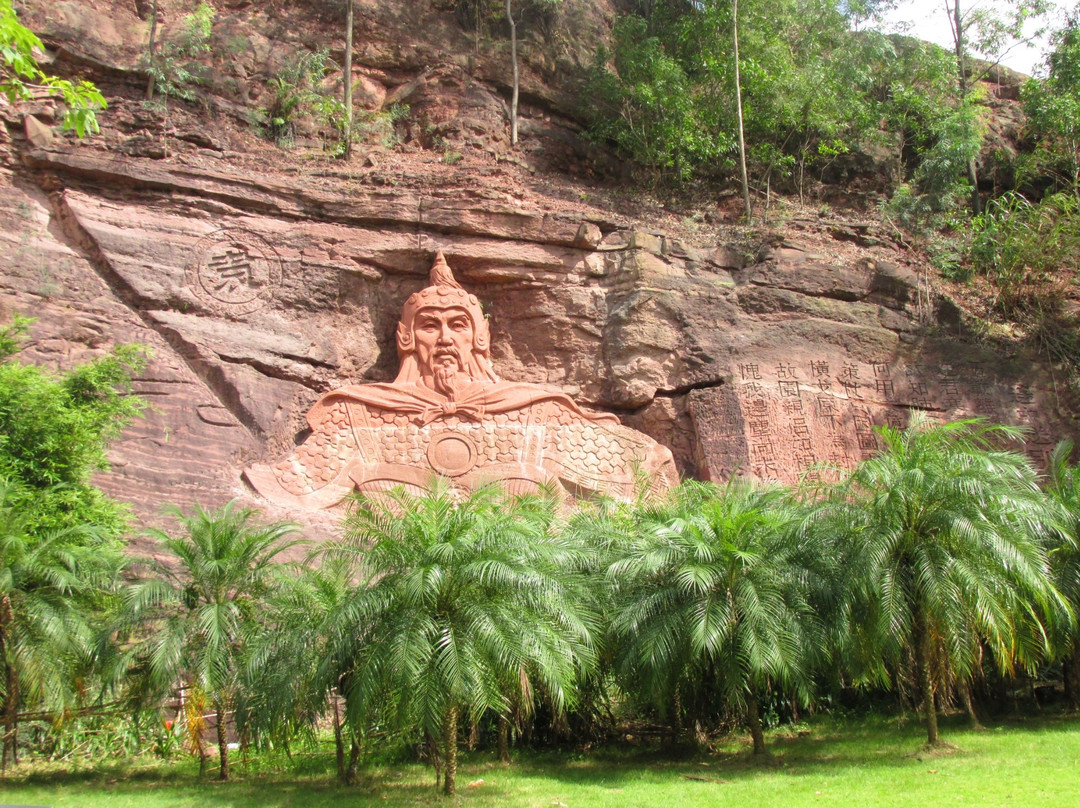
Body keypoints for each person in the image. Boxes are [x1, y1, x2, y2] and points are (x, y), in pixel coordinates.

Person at [245, 253, 677, 506]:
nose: (447, 338)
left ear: (480, 337)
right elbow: (292, 486)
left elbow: (642, 467)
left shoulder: (533, 410)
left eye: (459, 325)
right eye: (431, 325)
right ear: (407, 337)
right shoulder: (360, 413)